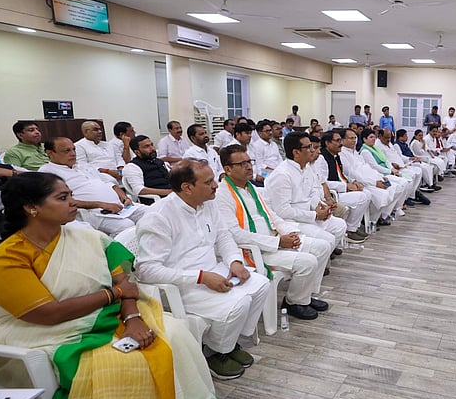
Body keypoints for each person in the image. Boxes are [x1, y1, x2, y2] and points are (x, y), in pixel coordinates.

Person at [0, 172, 234, 399]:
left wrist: (134, 318)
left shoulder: (85, 236)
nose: (74, 202)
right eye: (63, 197)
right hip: (48, 331)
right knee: (126, 363)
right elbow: (48, 314)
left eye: (71, 194)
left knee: (175, 334)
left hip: (111, 314)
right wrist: (115, 295)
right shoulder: (4, 260)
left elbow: (124, 277)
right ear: (32, 208)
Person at [136, 159, 270, 380]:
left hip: (214, 271)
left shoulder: (207, 203)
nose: (216, 185)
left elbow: (223, 236)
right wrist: (200, 277)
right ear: (187, 188)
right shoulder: (159, 217)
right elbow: (146, 271)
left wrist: (235, 262)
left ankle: (228, 343)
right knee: (239, 303)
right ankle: (214, 353)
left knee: (260, 285)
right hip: (181, 285)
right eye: (208, 182)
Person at [216, 145, 331, 319]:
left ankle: (305, 296)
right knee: (307, 262)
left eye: (249, 162)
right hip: (253, 251)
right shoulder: (222, 195)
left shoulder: (251, 188)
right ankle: (294, 302)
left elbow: (272, 216)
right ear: (228, 169)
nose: (249, 166)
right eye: (242, 164)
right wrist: (278, 242)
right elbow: (235, 234)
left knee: (322, 247)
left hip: (274, 239)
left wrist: (290, 233)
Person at [39, 138, 146, 235]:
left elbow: (111, 184)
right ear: (50, 153)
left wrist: (125, 198)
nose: (73, 154)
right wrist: (101, 204)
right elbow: (62, 201)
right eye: (67, 151)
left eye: (74, 149)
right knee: (126, 226)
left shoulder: (83, 166)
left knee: (152, 213)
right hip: (92, 212)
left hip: (120, 206)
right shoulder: (48, 172)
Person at [264, 132, 348, 245]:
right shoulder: (282, 175)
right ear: (296, 152)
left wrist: (322, 207)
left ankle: (324, 256)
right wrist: (315, 215)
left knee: (340, 225)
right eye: (309, 147)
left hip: (309, 214)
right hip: (292, 221)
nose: (313, 150)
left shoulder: (306, 167)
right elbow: (283, 211)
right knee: (327, 240)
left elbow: (312, 193)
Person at [338, 129, 402, 226]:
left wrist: (380, 177)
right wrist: (374, 183)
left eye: (355, 138)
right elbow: (352, 174)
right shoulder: (342, 154)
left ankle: (381, 216)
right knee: (383, 194)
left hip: (372, 178)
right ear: (342, 140)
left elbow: (368, 168)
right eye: (351, 138)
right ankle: (371, 220)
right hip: (363, 182)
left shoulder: (354, 152)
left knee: (395, 188)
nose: (354, 140)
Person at [316, 131, 371, 241]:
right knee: (361, 197)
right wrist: (346, 186)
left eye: (340, 140)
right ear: (327, 143)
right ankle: (349, 230)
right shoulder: (322, 158)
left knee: (367, 193)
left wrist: (353, 182)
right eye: (337, 141)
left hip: (341, 188)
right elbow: (324, 182)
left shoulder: (336, 155)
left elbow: (342, 174)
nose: (340, 143)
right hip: (333, 193)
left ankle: (353, 227)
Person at [122, 135, 173, 203]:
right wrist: (168, 192)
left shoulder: (159, 161)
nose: (152, 149)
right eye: (147, 146)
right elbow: (139, 190)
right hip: (156, 200)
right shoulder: (132, 167)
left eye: (152, 145)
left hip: (173, 196)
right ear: (137, 152)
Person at [395, 129, 438, 193]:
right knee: (423, 168)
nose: (407, 137)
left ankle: (430, 184)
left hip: (413, 159)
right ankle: (428, 185)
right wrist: (411, 158)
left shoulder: (405, 144)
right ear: (400, 137)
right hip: (407, 162)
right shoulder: (397, 145)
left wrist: (414, 157)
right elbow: (400, 156)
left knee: (428, 167)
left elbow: (411, 153)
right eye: (405, 135)